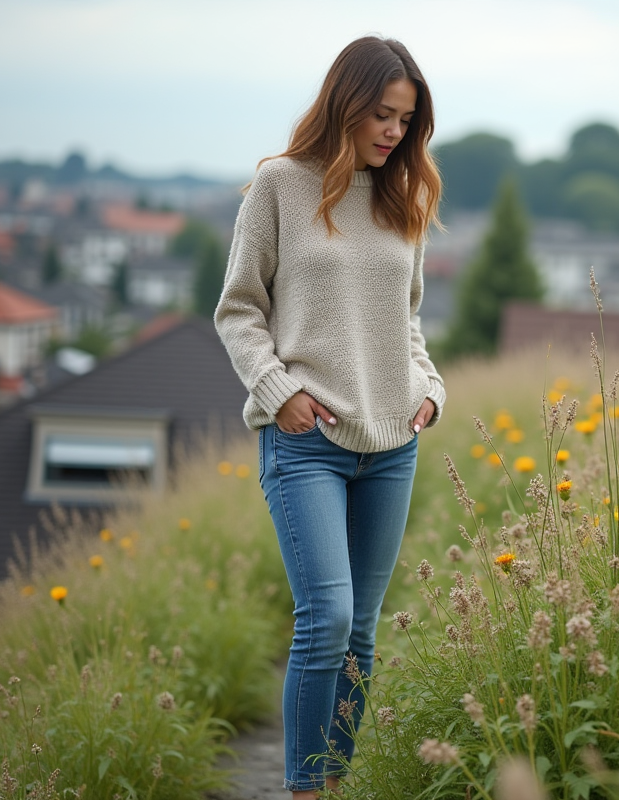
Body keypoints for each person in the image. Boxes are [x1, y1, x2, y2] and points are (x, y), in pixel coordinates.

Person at [214, 35, 444, 797]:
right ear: (345, 103)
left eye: (406, 121)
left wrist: (430, 390)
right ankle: (307, 789)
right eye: (382, 114)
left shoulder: (401, 198)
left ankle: (335, 785)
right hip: (306, 442)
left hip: (392, 444)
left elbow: (407, 322)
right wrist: (279, 392)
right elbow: (239, 312)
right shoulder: (279, 187)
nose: (393, 132)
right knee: (329, 619)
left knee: (363, 636)